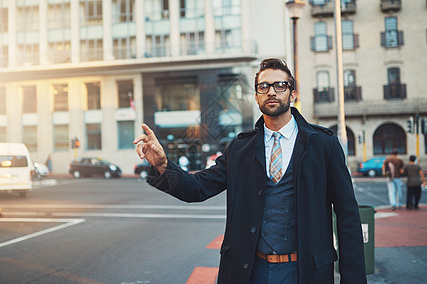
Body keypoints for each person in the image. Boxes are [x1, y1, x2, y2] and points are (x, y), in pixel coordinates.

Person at [133, 58, 366, 284]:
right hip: (250, 271)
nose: (271, 92)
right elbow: (197, 188)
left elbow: (347, 215)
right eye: (264, 87)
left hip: (306, 271)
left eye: (280, 85)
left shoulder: (323, 145)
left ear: (292, 94)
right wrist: (163, 164)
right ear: (256, 97)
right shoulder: (240, 149)